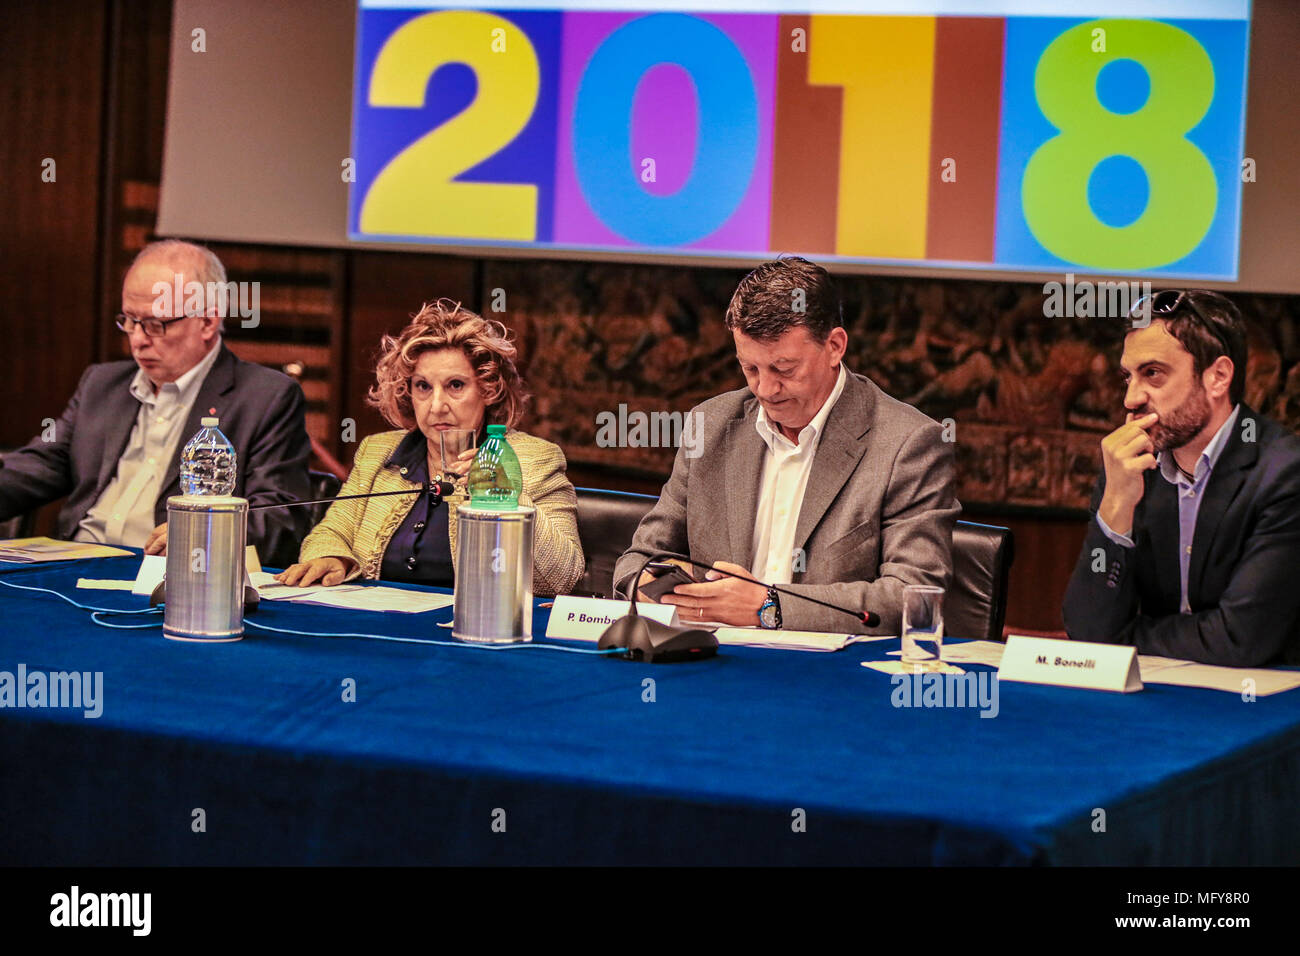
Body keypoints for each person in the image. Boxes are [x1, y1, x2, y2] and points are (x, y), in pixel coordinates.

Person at [613, 256, 959, 633]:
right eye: (750, 369)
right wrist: (653, 588)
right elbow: (637, 562)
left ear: (834, 346)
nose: (765, 389)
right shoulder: (709, 426)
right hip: (713, 663)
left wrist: (769, 606)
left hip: (832, 678)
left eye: (784, 369)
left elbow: (914, 596)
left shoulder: (907, 444)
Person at [0, 240, 311, 566]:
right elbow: (40, 466)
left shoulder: (264, 398)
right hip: (72, 564)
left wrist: (201, 532)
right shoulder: (102, 384)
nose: (137, 339)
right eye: (130, 321)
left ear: (206, 321)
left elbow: (279, 518)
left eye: (155, 324)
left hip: (168, 572)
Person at [278, 300, 585, 595]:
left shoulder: (535, 459)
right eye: (423, 387)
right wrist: (335, 558)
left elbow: (562, 577)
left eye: (455, 386)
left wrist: (508, 494)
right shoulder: (378, 452)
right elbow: (331, 532)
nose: (437, 406)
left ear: (488, 389)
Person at [1063, 290, 1300, 667]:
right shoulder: (1131, 466)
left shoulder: (1284, 473)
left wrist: (1124, 639)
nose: (1131, 399)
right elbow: (1088, 629)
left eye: (1152, 374)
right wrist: (1114, 512)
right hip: (1161, 696)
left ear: (1218, 377)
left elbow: (1239, 640)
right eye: (1128, 377)